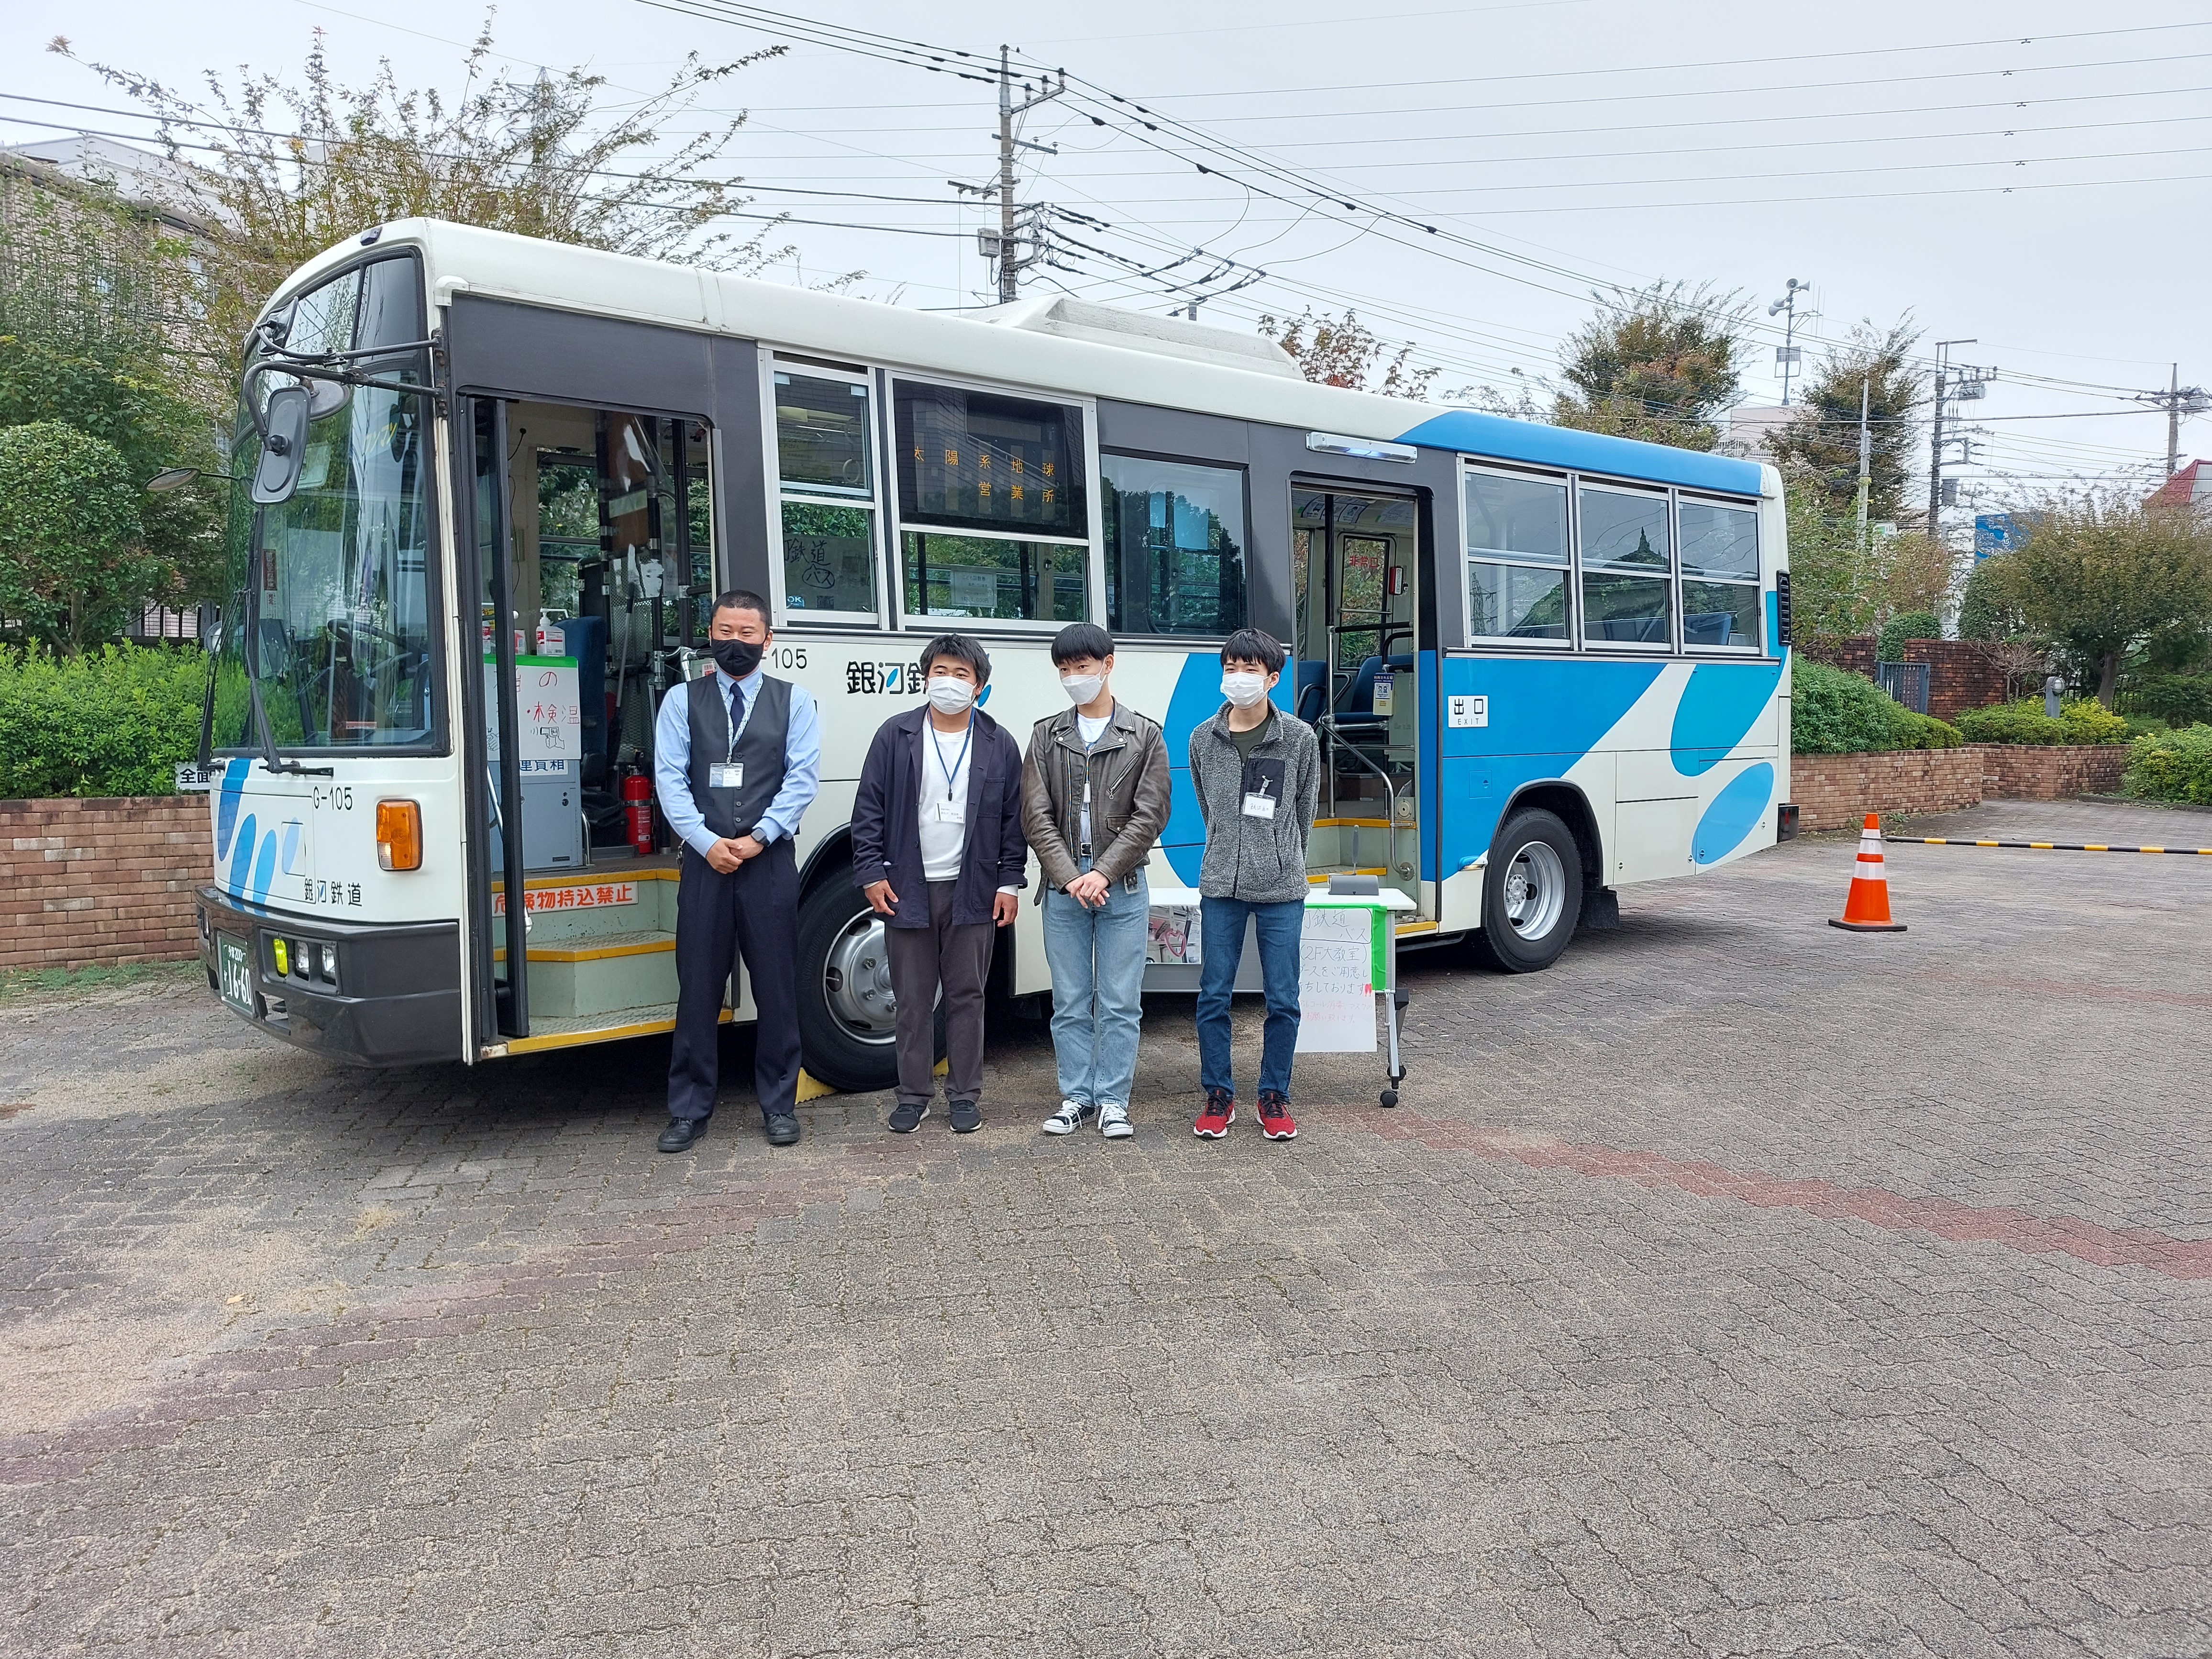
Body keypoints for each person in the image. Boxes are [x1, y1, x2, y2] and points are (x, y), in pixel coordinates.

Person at [653, 590, 821, 1153]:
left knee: (776, 987)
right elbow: (670, 779)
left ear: (767, 639)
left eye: (748, 633)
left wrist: (755, 840)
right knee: (697, 987)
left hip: (767, 864)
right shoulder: (681, 700)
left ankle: (779, 1104)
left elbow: (801, 779)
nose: (735, 643)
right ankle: (689, 1109)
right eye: (726, 631)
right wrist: (704, 841)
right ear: (710, 633)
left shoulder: (794, 702)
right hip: (704, 865)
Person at [850, 634, 1027, 1135]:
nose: (949, 683)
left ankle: (965, 1095)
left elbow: (1014, 822)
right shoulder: (895, 734)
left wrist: (1009, 883)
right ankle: (912, 1095)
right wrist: (870, 873)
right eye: (940, 672)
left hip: (971, 889)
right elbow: (868, 811)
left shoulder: (999, 742)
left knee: (967, 996)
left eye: (961, 675)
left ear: (979, 686)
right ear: (925, 677)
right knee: (911, 998)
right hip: (906, 886)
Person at [1020, 622, 1172, 1141]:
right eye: (1064, 670)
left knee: (1119, 1000)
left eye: (1081, 667)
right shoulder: (1046, 734)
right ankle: (1075, 1097)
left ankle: (1113, 1099)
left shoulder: (1144, 734)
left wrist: (1102, 872)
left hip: (1122, 885)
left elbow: (1150, 815)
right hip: (1063, 885)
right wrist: (1071, 877)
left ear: (1108, 664)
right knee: (1069, 998)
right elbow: (1035, 816)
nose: (1072, 678)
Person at [1187, 627, 1320, 1142]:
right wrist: (1226, 846)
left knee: (1282, 998)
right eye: (1231, 668)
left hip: (1282, 888)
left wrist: (1282, 857)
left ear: (1272, 677)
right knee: (1213, 995)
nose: (1238, 679)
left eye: (1250, 670)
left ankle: (1274, 1094)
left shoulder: (1299, 738)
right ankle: (1218, 1095)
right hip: (1220, 883)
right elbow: (1207, 808)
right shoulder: (1202, 738)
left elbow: (1303, 812)